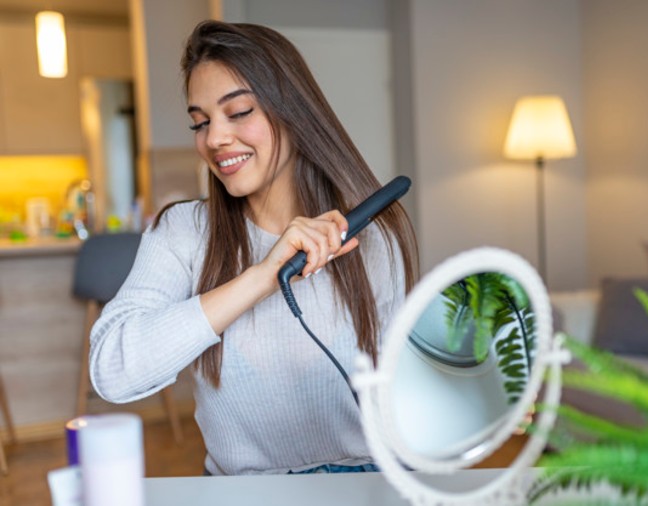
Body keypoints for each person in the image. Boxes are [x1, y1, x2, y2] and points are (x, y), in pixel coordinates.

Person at [89, 20, 418, 476]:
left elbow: (403, 398)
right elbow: (113, 371)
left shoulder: (371, 238)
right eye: (200, 122)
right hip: (241, 491)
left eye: (238, 111)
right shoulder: (183, 232)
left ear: (294, 113)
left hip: (368, 482)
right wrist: (262, 277)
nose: (214, 138)